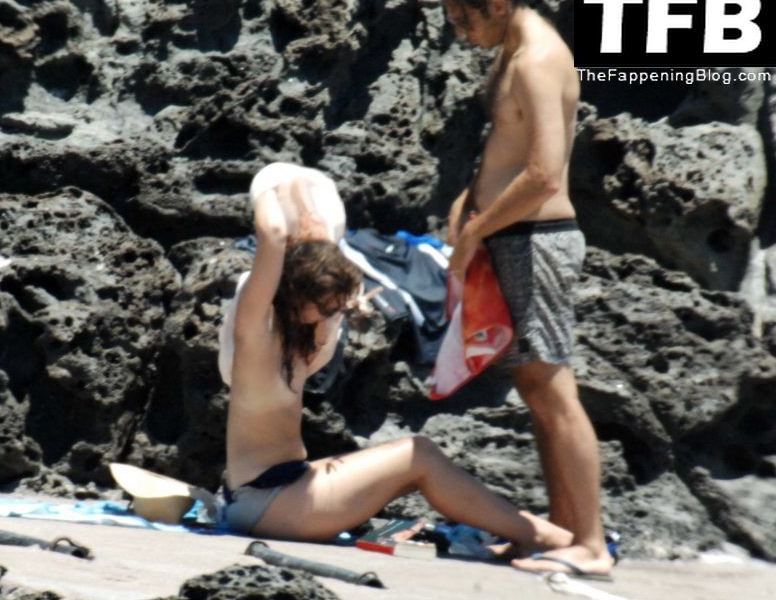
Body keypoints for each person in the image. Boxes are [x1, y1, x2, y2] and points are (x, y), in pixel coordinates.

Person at [218, 163, 572, 556]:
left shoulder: (301, 340)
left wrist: (307, 211)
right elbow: (273, 234)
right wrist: (272, 185)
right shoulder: (256, 331)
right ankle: (542, 537)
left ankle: (529, 534)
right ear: (296, 295)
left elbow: (318, 254)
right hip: (266, 501)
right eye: (327, 307)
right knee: (419, 455)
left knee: (416, 463)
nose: (332, 315)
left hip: (285, 487)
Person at [436, 0, 613, 577]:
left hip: (537, 241)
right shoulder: (513, 52)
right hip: (512, 239)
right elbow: (506, 154)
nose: (461, 33)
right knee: (537, 392)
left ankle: (591, 544)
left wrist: (474, 232)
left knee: (554, 391)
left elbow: (543, 175)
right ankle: (559, 534)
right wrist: (467, 207)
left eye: (464, 20)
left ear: (497, 3)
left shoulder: (538, 59)